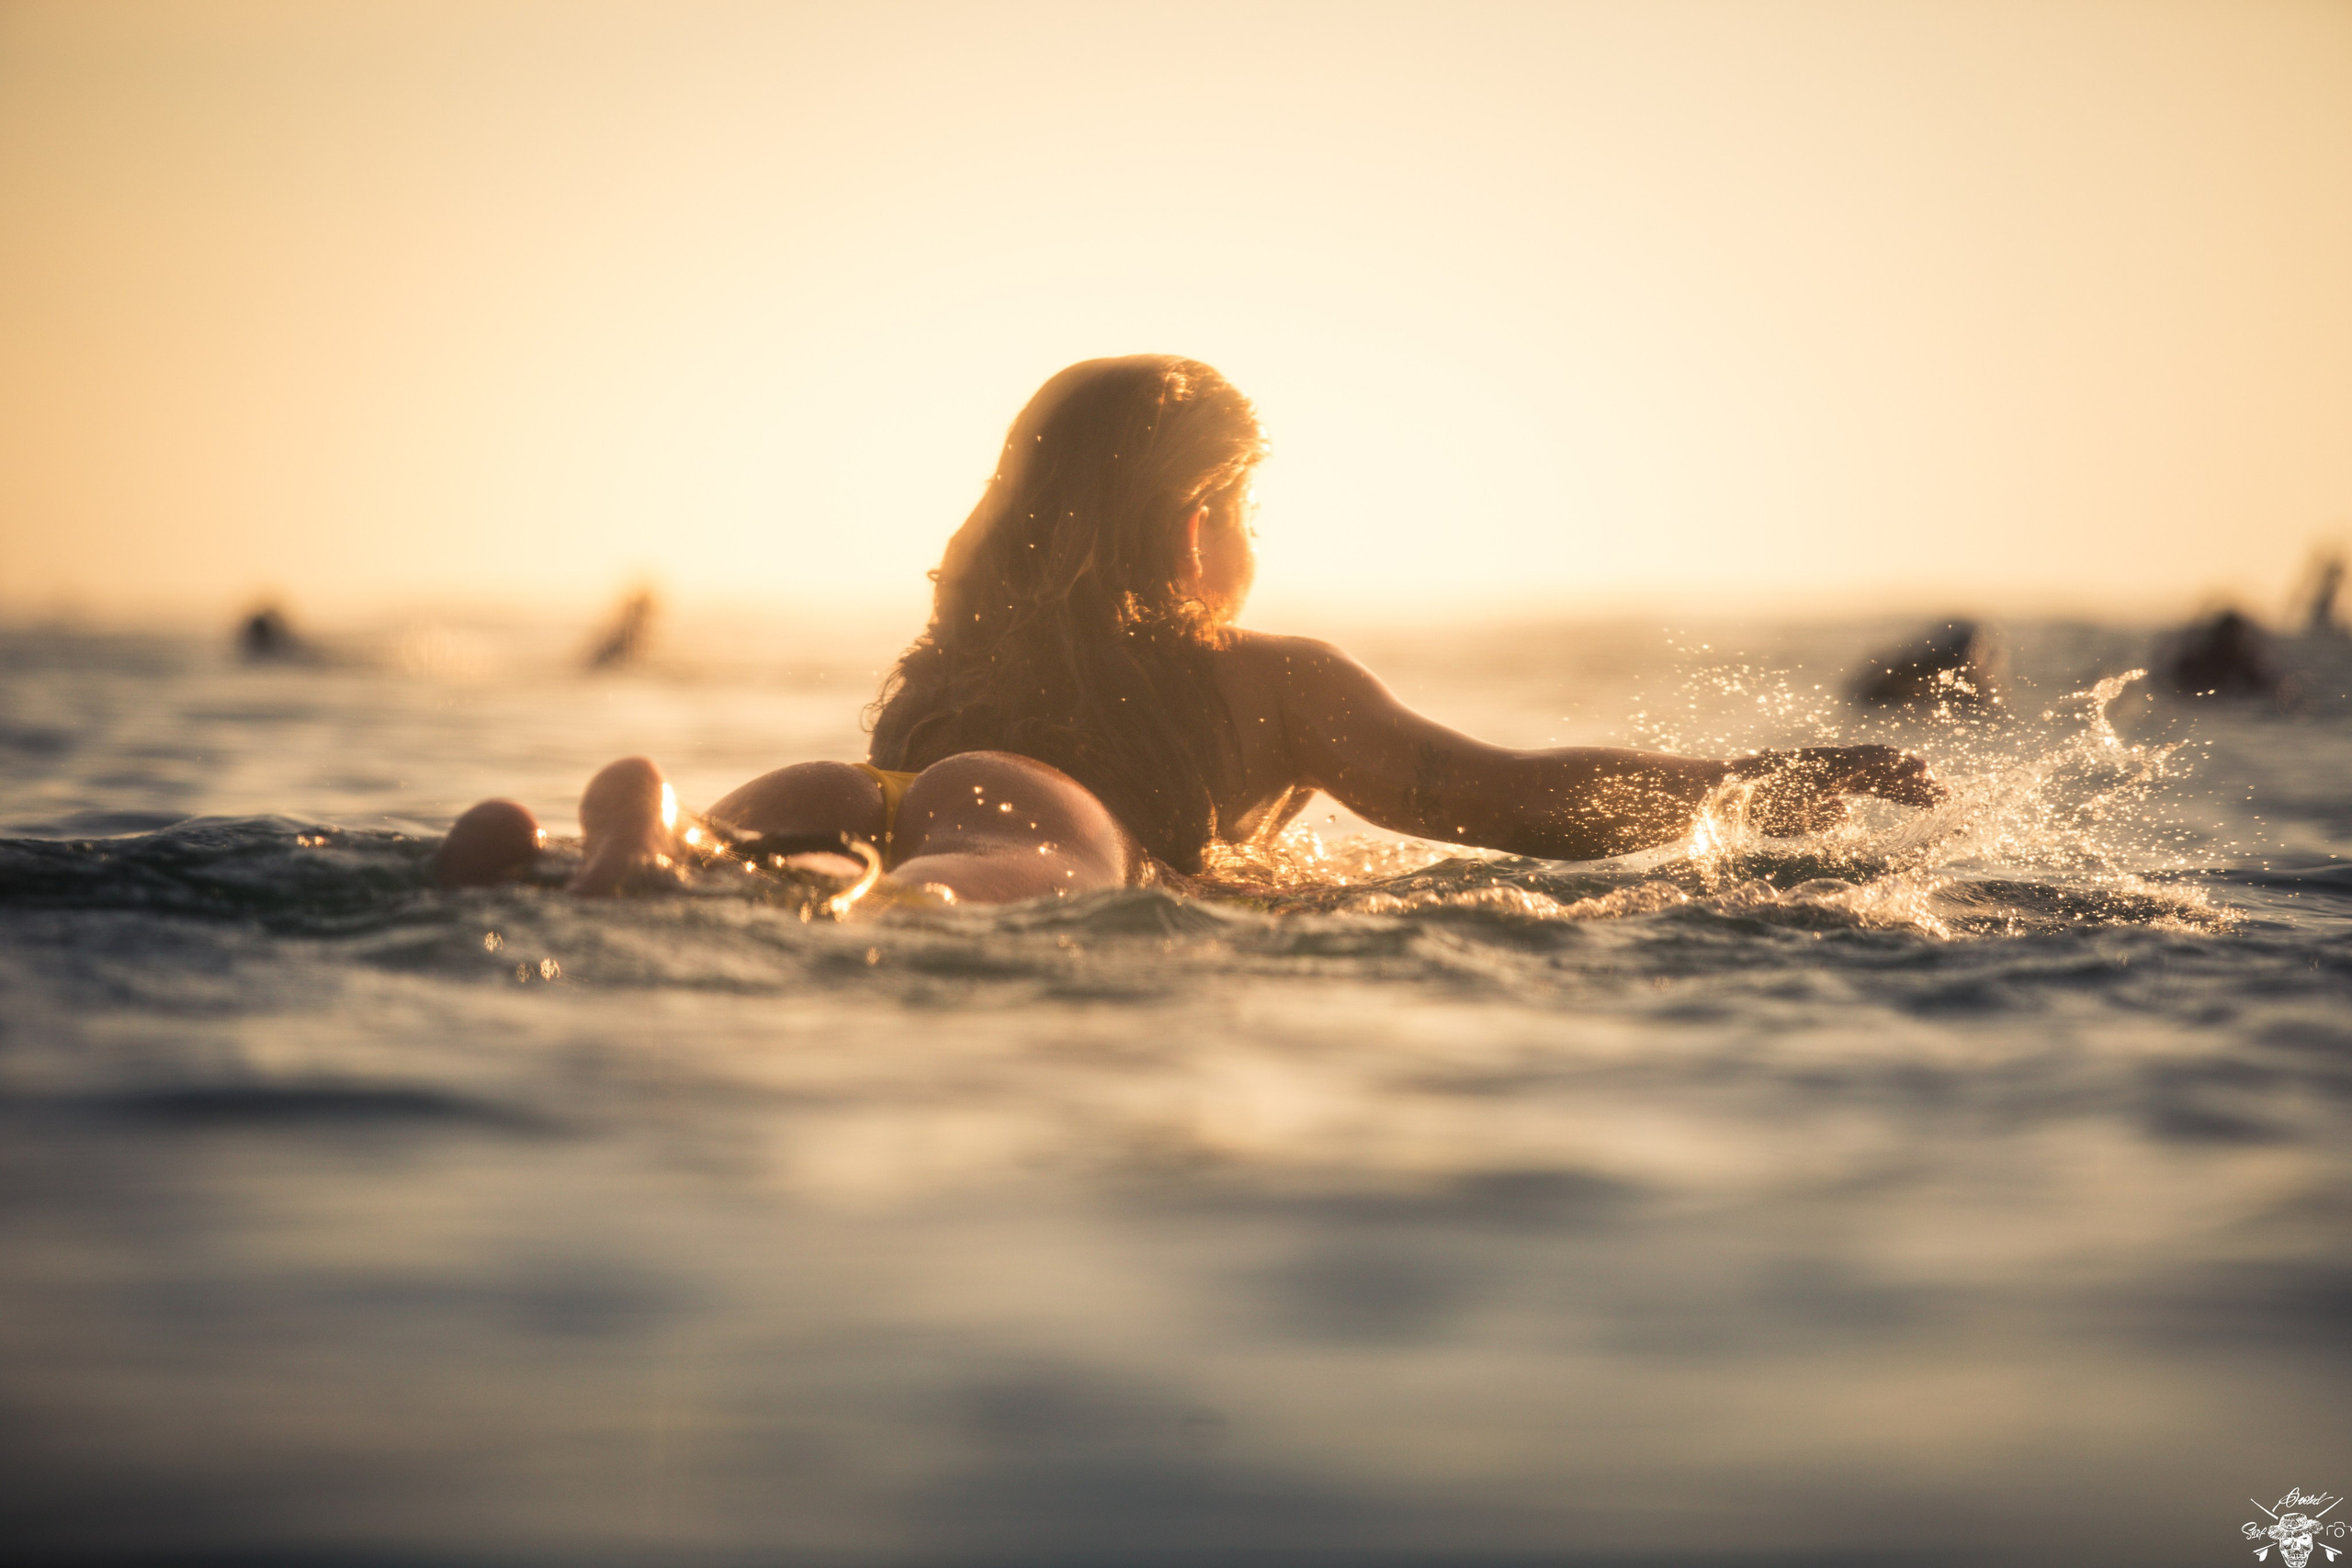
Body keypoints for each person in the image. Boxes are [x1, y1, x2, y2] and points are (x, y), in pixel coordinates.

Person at [433, 355, 1944, 902]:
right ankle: (700, 861)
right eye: (1246, 508)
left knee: (741, 864)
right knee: (948, 894)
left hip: (852, 792)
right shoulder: (1270, 684)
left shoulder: (955, 663)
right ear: (1193, 527)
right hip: (1036, 828)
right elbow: (1511, 801)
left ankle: (624, 832)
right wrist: (1754, 785)